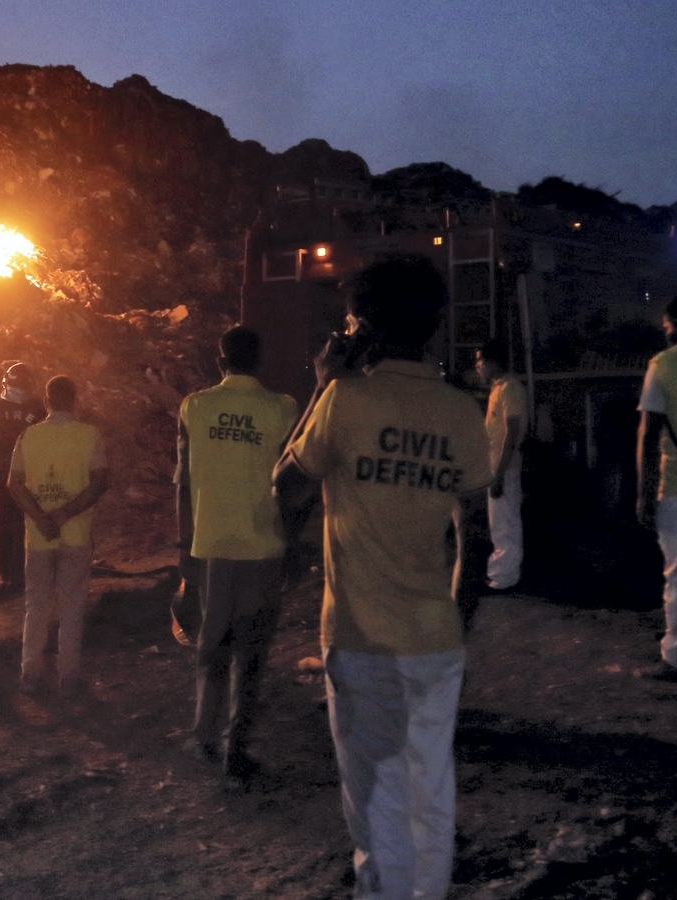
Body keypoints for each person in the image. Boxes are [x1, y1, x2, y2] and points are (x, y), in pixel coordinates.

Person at [276, 256, 491, 900]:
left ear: (359, 325)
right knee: (429, 786)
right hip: (435, 635)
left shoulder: (344, 399)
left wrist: (321, 384)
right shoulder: (460, 411)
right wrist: (458, 618)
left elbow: (285, 488)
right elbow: (474, 537)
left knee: (374, 792)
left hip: (361, 638)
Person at [177, 325, 298, 787]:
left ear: (220, 360)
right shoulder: (282, 408)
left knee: (212, 647)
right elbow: (293, 485)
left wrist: (182, 546)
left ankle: (204, 736)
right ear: (259, 361)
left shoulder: (195, 406)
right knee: (252, 651)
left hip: (210, 546)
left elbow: (182, 482)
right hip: (263, 545)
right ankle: (237, 746)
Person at [9, 375, 108, 693]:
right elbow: (99, 482)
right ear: (75, 399)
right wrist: (64, 514)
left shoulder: (28, 436)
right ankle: (68, 677)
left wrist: (40, 517)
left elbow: (14, 483)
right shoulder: (89, 435)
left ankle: (30, 674)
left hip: (38, 536)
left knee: (36, 605)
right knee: (72, 605)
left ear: (46, 401)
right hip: (76, 533)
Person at [635, 291, 677, 683]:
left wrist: (643, 492)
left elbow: (649, 433)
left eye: (667, 325)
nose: (665, 331)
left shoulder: (663, 365)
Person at [0, 363, 47, 592]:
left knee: (6, 524)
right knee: (25, 524)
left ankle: (8, 575)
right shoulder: (37, 407)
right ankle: (20, 573)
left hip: (4, 474)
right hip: (28, 475)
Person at [475, 338, 527, 592]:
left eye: (480, 361)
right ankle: (501, 574)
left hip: (503, 469)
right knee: (500, 524)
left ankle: (504, 578)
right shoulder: (499, 389)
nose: (478, 366)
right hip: (497, 468)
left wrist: (499, 473)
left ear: (493, 362)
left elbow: (512, 433)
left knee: (505, 524)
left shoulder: (510, 389)